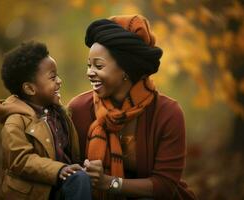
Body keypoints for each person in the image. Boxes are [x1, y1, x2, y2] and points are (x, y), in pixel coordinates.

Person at [68, 15, 197, 200]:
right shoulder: (78, 110)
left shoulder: (168, 113)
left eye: (99, 66)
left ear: (125, 70)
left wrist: (109, 182)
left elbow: (165, 186)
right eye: (89, 65)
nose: (90, 72)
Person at [0, 41, 92, 200]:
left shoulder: (58, 114)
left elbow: (71, 153)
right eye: (52, 77)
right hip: (34, 193)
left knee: (82, 178)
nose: (59, 81)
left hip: (61, 186)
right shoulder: (15, 121)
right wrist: (59, 170)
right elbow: (21, 160)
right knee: (79, 179)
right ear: (30, 89)